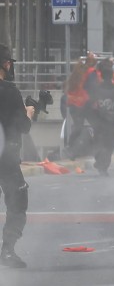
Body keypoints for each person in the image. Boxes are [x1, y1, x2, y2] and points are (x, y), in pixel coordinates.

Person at [0, 44, 33, 268]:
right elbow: (22, 126)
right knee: (17, 201)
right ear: (6, 64)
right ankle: (7, 250)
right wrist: (29, 113)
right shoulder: (10, 91)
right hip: (6, 157)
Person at [88, 58, 114, 176]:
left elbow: (90, 103)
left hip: (100, 121)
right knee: (109, 144)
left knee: (98, 142)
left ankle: (100, 162)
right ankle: (103, 166)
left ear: (101, 75)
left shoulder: (96, 88)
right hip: (112, 122)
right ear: (112, 75)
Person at [64, 52, 99, 158]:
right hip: (85, 103)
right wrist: (95, 101)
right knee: (98, 126)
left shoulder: (77, 72)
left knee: (78, 127)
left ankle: (70, 149)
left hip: (74, 103)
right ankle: (96, 150)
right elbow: (92, 88)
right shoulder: (91, 72)